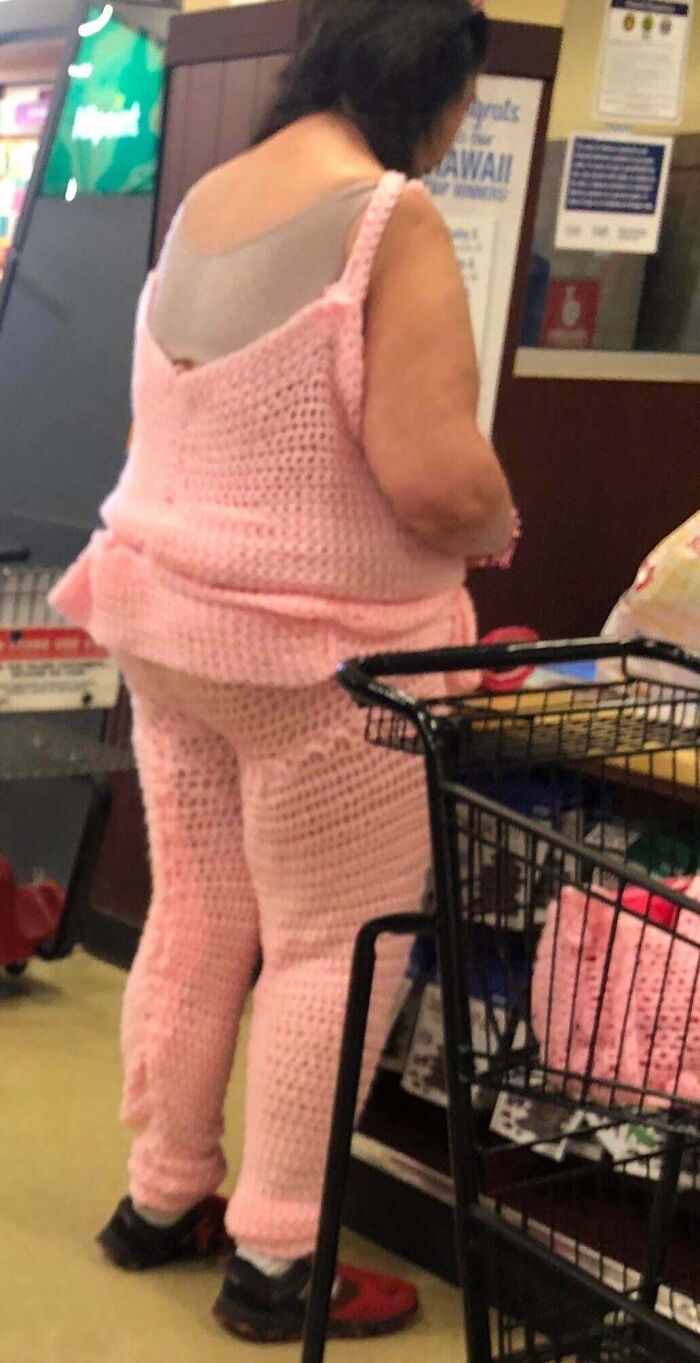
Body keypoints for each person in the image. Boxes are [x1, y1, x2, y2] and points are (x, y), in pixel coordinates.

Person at [51, 0, 516, 1342]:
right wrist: (498, 520)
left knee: (200, 915)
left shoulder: (208, 199)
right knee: (330, 947)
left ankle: (164, 1197)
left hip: (166, 621)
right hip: (321, 656)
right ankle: (277, 1264)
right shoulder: (388, 218)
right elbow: (436, 478)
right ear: (427, 82)